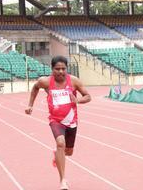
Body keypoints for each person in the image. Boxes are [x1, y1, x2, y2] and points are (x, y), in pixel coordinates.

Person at [25, 56, 91, 190]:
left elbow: (88, 96)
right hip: (55, 120)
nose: (60, 71)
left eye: (63, 69)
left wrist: (77, 101)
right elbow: (35, 88)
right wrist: (30, 105)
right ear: (52, 69)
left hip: (71, 121)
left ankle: (57, 155)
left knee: (69, 152)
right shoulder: (45, 82)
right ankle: (63, 181)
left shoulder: (73, 81)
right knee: (60, 143)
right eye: (57, 69)